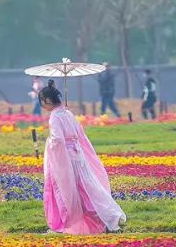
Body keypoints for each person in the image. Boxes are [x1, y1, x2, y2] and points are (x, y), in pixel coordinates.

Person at [39, 82, 126, 234]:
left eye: (42, 101)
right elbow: (80, 135)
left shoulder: (55, 117)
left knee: (70, 192)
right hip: (78, 157)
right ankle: (108, 219)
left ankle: (66, 225)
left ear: (47, 100)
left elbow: (57, 139)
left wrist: (49, 145)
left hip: (66, 160)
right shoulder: (68, 113)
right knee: (88, 190)